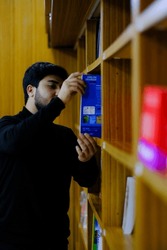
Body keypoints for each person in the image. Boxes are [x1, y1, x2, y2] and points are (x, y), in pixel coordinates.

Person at [0, 62, 99, 250]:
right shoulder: (7, 126)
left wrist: (86, 161)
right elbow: (15, 142)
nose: (58, 91)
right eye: (52, 85)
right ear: (31, 90)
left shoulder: (64, 135)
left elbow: (88, 179)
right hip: (9, 243)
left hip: (54, 241)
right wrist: (59, 101)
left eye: (61, 88)